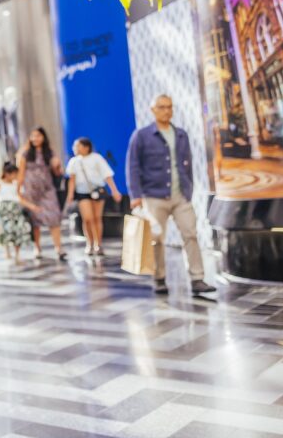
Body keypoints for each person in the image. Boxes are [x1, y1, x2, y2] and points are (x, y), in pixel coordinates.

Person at [126, 93, 216, 296]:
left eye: (169, 107)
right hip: (153, 196)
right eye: (162, 107)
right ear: (153, 110)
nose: (167, 110)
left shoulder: (181, 134)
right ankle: (159, 278)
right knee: (156, 238)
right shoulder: (141, 136)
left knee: (191, 234)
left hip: (180, 196)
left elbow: (188, 164)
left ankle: (197, 278)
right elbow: (132, 166)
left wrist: (189, 190)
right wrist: (135, 195)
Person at [64, 137, 122, 257]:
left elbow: (107, 175)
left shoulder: (97, 158)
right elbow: (72, 180)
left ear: (86, 147)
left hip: (97, 190)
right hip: (82, 192)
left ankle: (98, 244)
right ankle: (89, 243)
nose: (75, 148)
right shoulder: (74, 161)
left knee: (96, 218)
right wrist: (70, 195)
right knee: (87, 218)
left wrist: (114, 191)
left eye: (78, 146)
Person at [17, 127, 66, 260]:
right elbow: (21, 174)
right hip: (31, 190)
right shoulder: (26, 154)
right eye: (33, 136)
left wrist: (57, 166)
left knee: (54, 217)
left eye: (38, 135)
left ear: (43, 137)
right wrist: (18, 190)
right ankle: (37, 247)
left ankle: (59, 248)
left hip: (47, 189)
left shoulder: (49, 152)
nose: (35, 138)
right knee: (35, 221)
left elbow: (57, 173)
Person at [0, 161, 37, 264]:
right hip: (3, 210)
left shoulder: (16, 184)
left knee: (17, 231)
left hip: (15, 210)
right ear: (7, 173)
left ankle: (17, 254)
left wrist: (30, 206)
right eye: (14, 174)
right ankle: (7, 251)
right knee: (5, 231)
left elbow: (20, 197)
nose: (16, 176)